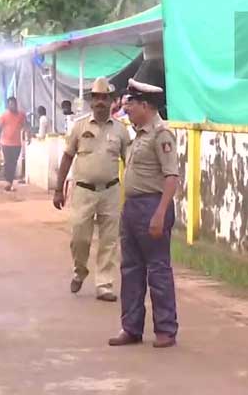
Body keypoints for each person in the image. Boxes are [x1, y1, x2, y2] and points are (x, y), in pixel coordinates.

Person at [109, 78, 179, 349]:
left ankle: (165, 330)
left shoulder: (161, 134)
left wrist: (160, 214)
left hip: (152, 205)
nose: (128, 109)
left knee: (158, 270)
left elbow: (171, 176)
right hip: (133, 206)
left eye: (132, 104)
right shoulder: (139, 133)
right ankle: (131, 327)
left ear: (146, 105)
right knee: (131, 269)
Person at [53, 77, 131, 302]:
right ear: (90, 101)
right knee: (80, 238)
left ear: (111, 101)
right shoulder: (79, 126)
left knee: (109, 240)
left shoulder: (121, 130)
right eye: (96, 98)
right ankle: (80, 270)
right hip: (83, 191)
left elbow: (130, 160)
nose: (100, 102)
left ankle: (104, 284)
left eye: (104, 98)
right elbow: (67, 157)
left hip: (111, 191)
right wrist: (59, 189)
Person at [0, 97, 26, 191]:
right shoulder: (4, 116)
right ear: (8, 105)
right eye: (10, 104)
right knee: (8, 163)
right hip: (6, 143)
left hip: (17, 144)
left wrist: (28, 134)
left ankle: (10, 182)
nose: (12, 106)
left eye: (13, 104)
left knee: (13, 163)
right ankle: (8, 182)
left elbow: (26, 125)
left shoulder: (21, 115)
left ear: (16, 104)